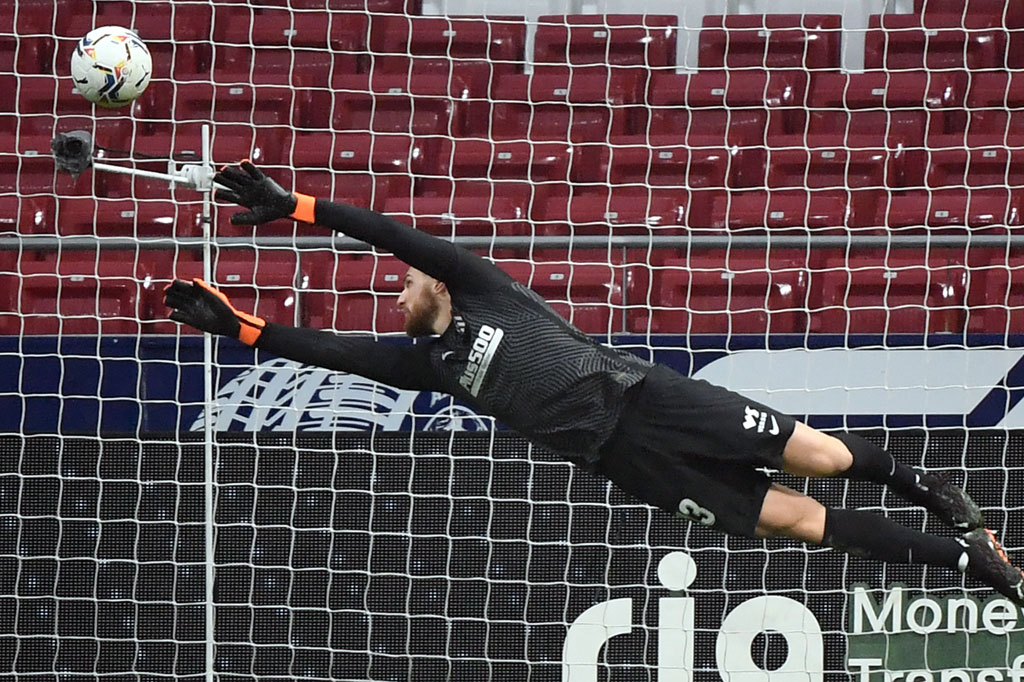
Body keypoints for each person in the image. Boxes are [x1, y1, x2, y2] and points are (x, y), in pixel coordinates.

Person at [165, 161, 1024, 604]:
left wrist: (299, 210)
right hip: (627, 459)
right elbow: (326, 353)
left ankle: (924, 484)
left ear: (434, 285)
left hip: (649, 396)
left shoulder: (480, 286)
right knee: (800, 522)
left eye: (403, 284)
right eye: (398, 288)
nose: (398, 290)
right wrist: (241, 326)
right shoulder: (424, 365)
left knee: (825, 460)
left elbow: (391, 233)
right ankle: (971, 558)